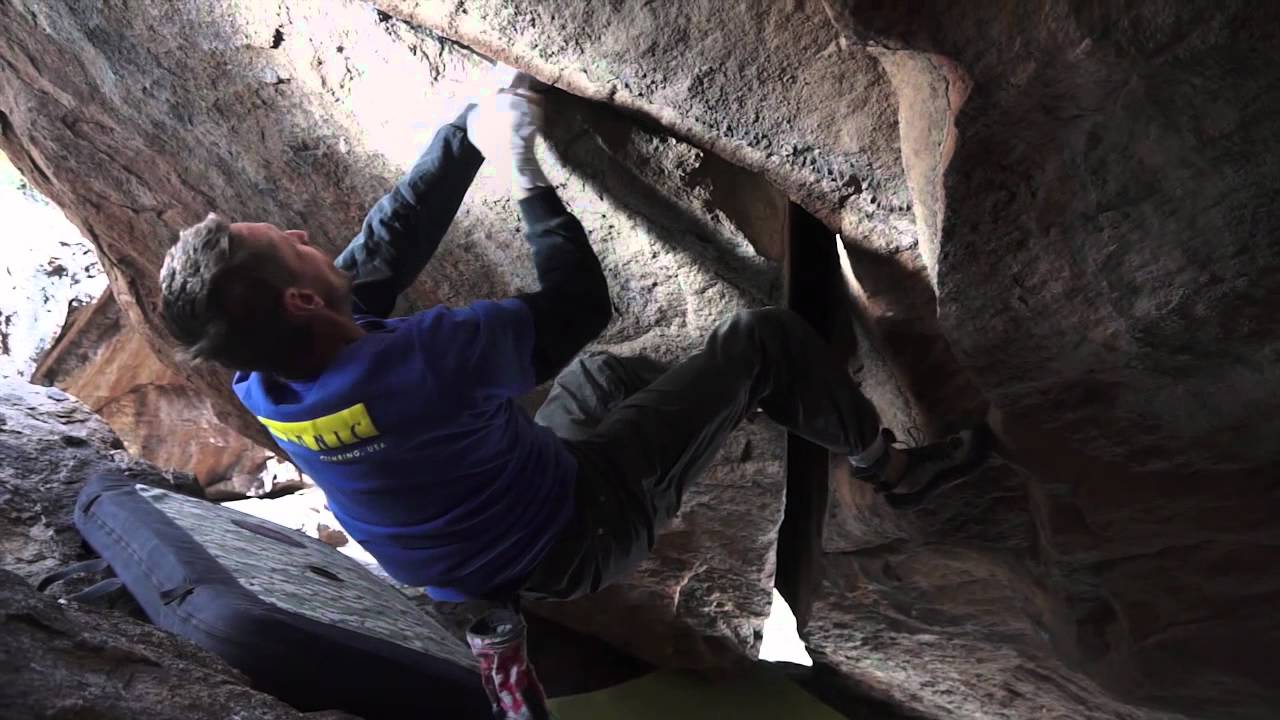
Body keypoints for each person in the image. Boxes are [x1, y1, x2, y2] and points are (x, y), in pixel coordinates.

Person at [159, 73, 988, 603]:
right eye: (295, 245)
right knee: (764, 336)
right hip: (580, 531)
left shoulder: (264, 378)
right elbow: (576, 303)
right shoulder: (422, 364)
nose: (311, 239)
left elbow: (381, 251)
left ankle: (746, 407)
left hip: (482, 562)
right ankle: (893, 467)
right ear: (303, 299)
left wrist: (468, 129)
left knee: (601, 383)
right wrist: (522, 166)